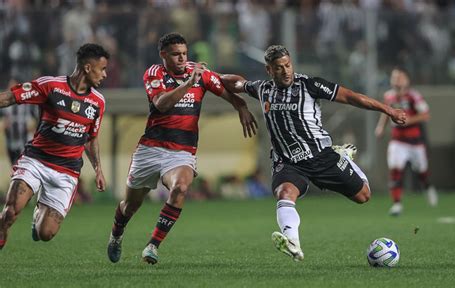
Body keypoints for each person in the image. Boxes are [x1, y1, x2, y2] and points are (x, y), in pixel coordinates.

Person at [220, 45, 406, 261]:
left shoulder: (310, 85)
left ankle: (343, 156)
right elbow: (235, 83)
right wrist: (207, 76)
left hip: (321, 156)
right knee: (284, 193)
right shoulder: (262, 89)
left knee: (363, 196)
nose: (286, 71)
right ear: (269, 70)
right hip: (287, 162)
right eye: (279, 68)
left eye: (288, 65)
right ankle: (293, 243)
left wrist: (388, 110)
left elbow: (352, 97)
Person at [106, 32, 257, 265]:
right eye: (176, 54)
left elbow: (223, 84)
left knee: (181, 187)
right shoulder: (154, 74)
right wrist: (190, 83)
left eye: (185, 54)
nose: (182, 59)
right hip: (150, 148)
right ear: (163, 55)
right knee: (131, 205)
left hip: (181, 151)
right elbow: (161, 104)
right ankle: (116, 235)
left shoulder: (197, 72)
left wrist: (241, 104)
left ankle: (152, 245)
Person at [0, 43, 109, 249]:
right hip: (36, 161)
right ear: (87, 68)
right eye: (102, 69)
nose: (105, 74)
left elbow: (91, 138)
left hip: (67, 172)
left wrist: (98, 169)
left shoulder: (98, 102)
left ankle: (37, 217)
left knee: (46, 233)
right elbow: (11, 97)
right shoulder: (51, 86)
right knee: (10, 212)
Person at [375, 67, 438, 216]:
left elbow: (426, 114)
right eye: (394, 77)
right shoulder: (389, 96)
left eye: (400, 77)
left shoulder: (413, 96)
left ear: (406, 80)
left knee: (422, 172)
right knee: (395, 171)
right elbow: (386, 113)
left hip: (415, 142)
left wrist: (410, 120)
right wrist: (380, 127)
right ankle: (397, 204)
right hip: (398, 141)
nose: (397, 80)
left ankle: (428, 187)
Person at [0, 77, 38, 166]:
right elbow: (2, 119)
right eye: (10, 86)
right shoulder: (6, 103)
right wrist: (3, 124)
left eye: (13, 86)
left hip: (24, 139)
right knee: (13, 165)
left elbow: (36, 117)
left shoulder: (27, 101)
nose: (11, 88)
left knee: (22, 164)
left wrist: (33, 125)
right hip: (10, 139)